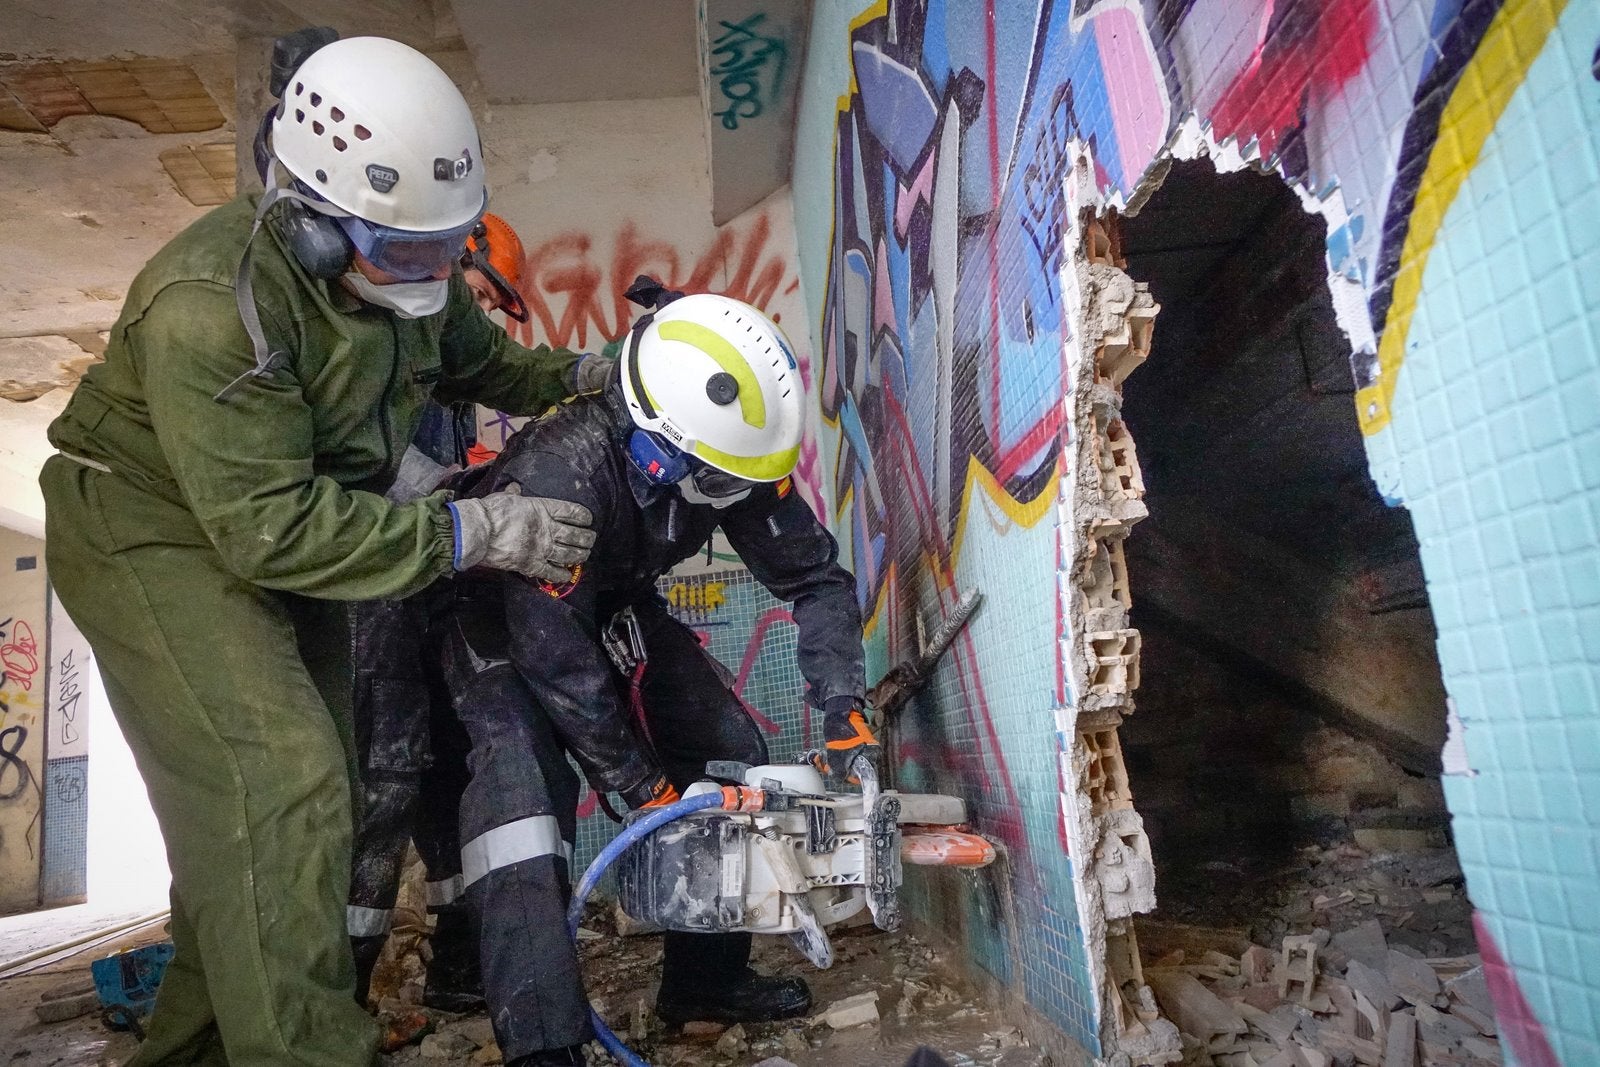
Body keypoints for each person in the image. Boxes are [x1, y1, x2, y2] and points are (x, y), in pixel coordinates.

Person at [40, 35, 607, 1067]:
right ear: (311, 224)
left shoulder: (415, 286)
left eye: (450, 242)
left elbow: (505, 369)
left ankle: (194, 1050)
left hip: (280, 521)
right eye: (407, 249)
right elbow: (270, 528)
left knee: (290, 807)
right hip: (152, 529)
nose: (435, 271)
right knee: (284, 781)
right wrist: (473, 528)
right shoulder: (214, 309)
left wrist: (603, 374)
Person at [434, 278, 873, 1067]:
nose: (730, 501)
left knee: (719, 735)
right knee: (523, 798)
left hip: (605, 600)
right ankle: (543, 1041)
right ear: (653, 443)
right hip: (499, 615)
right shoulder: (561, 472)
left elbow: (815, 579)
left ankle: (703, 983)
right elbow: (555, 658)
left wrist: (845, 706)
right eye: (716, 484)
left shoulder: (720, 455)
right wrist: (643, 789)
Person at [343, 210, 534, 1015]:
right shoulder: (379, 335)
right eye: (489, 296)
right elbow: (377, 466)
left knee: (448, 772)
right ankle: (336, 996)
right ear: (457, 263)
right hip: (369, 603)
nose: (486, 317)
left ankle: (460, 965)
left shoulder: (443, 374)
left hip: (426, 596)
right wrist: (476, 496)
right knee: (383, 787)